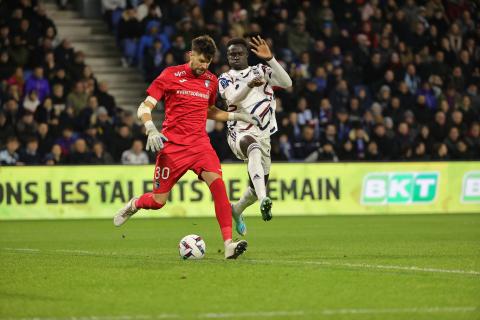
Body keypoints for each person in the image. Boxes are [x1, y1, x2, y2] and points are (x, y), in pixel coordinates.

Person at [113, 35, 260, 259]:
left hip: (200, 145)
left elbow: (209, 110)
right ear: (190, 55)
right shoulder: (170, 75)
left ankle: (229, 244)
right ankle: (134, 204)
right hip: (173, 148)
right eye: (200, 60)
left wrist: (236, 115)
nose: (204, 66)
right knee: (158, 201)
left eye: (208, 62)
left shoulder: (211, 81)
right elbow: (145, 106)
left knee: (219, 187)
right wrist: (151, 128)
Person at [218, 36, 292, 236]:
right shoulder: (225, 78)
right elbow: (232, 98)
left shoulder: (261, 70)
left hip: (264, 133)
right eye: (231, 54)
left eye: (238, 53)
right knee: (253, 149)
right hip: (239, 131)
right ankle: (264, 200)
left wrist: (271, 59)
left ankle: (237, 209)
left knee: (254, 185)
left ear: (247, 54)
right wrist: (250, 84)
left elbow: (287, 82)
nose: (234, 57)